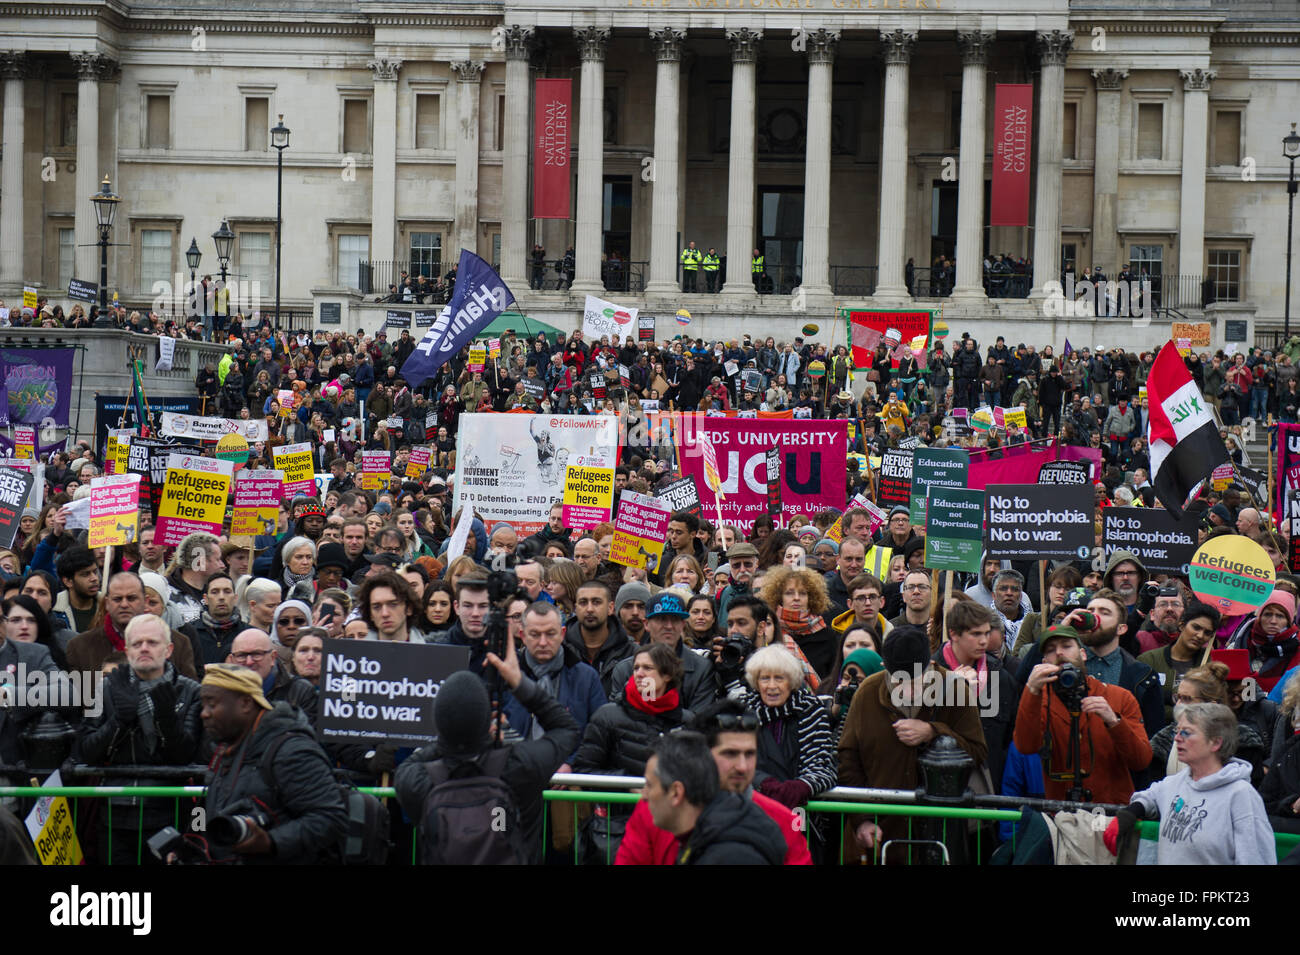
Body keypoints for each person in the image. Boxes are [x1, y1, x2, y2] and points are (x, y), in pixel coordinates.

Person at [395, 632, 580, 865]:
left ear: (439, 722)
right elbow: (567, 730)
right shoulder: (519, 767)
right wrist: (519, 682)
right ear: (487, 721)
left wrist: (450, 734)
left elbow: (413, 761)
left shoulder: (416, 780)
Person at [836, 627, 988, 863]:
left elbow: (977, 751)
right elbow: (847, 758)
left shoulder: (955, 689)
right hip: (879, 835)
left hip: (939, 837)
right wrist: (861, 819)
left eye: (915, 680)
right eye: (898, 681)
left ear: (929, 666)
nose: (906, 690)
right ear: (885, 667)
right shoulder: (867, 692)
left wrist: (934, 732)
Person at [617, 700, 812, 865]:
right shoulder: (656, 809)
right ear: (701, 753)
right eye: (730, 754)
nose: (743, 766)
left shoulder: (783, 821)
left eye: (750, 754)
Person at [75, 614, 203, 864]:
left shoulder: (190, 691)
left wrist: (166, 722)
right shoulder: (105, 688)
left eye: (152, 642)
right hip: (113, 815)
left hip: (168, 814)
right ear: (126, 649)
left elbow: (187, 756)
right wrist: (119, 722)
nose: (144, 648)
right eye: (136, 643)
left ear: (169, 650)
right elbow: (87, 751)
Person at [199, 664, 348, 864]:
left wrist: (271, 842)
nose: (204, 713)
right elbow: (203, 809)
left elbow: (330, 817)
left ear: (245, 703)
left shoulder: (292, 751)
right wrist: (193, 844)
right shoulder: (224, 750)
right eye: (203, 705)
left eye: (212, 704)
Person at [1110, 703, 1275, 865]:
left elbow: (1257, 858)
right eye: (1177, 731)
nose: (1176, 738)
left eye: (1186, 733)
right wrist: (1132, 811)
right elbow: (1151, 795)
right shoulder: (1177, 781)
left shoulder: (1241, 795)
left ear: (1216, 743)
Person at [573, 642, 692, 863]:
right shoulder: (608, 716)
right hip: (617, 829)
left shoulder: (687, 721)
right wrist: (626, 783)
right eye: (636, 668)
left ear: (667, 675)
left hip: (672, 830)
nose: (639, 673)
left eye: (647, 668)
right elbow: (583, 770)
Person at [1013, 624, 1152, 805]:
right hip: (1063, 813)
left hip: (1110, 813)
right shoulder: (1039, 699)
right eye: (1051, 650)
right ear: (1044, 662)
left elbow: (1141, 760)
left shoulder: (1119, 697)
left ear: (1083, 654)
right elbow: (1026, 746)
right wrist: (1031, 691)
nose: (1060, 653)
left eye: (1066, 646)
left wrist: (1114, 721)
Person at [641, 732, 786, 865]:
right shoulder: (706, 838)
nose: (644, 795)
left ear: (676, 793)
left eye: (649, 785)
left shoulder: (731, 856)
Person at [502, 601, 604, 774]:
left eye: (550, 634)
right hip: (516, 777)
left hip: (569, 785)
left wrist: (571, 764)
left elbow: (599, 735)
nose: (543, 642)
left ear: (562, 634)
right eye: (535, 634)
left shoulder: (586, 678)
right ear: (523, 635)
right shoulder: (504, 677)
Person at [739, 645, 837, 810]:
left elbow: (821, 764)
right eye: (764, 678)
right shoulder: (743, 710)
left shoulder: (811, 710)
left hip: (799, 810)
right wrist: (761, 781)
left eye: (779, 678)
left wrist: (799, 787)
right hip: (751, 809)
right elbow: (733, 760)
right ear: (756, 682)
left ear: (791, 682)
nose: (771, 686)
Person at [67, 572, 200, 679]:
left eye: (131, 598)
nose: (124, 604)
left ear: (145, 601)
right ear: (107, 603)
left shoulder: (178, 643)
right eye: (117, 599)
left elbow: (189, 701)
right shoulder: (80, 647)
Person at [607, 592, 717, 711]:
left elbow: (700, 719)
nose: (669, 626)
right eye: (662, 619)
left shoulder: (701, 668)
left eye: (674, 620)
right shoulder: (625, 669)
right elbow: (617, 716)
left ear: (683, 625)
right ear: (646, 624)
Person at [1138, 601, 1220, 725]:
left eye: (1207, 633)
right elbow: (1143, 705)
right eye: (1196, 627)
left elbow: (1214, 708)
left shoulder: (1211, 665)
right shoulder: (1149, 660)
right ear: (1182, 625)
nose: (1200, 635)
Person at [565, 580, 635, 697]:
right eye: (583, 602)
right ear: (575, 608)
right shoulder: (561, 651)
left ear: (610, 608)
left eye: (596, 602)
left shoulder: (632, 653)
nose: (590, 609)